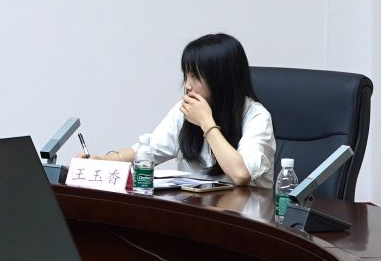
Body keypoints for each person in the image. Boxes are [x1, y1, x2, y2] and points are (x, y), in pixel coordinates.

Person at [106, 32, 274, 186]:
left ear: (221, 79)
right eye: (186, 75)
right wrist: (103, 160)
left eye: (195, 76)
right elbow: (147, 150)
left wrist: (206, 122)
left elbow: (241, 174)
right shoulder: (184, 111)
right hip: (193, 206)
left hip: (242, 209)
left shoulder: (257, 117)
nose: (187, 85)